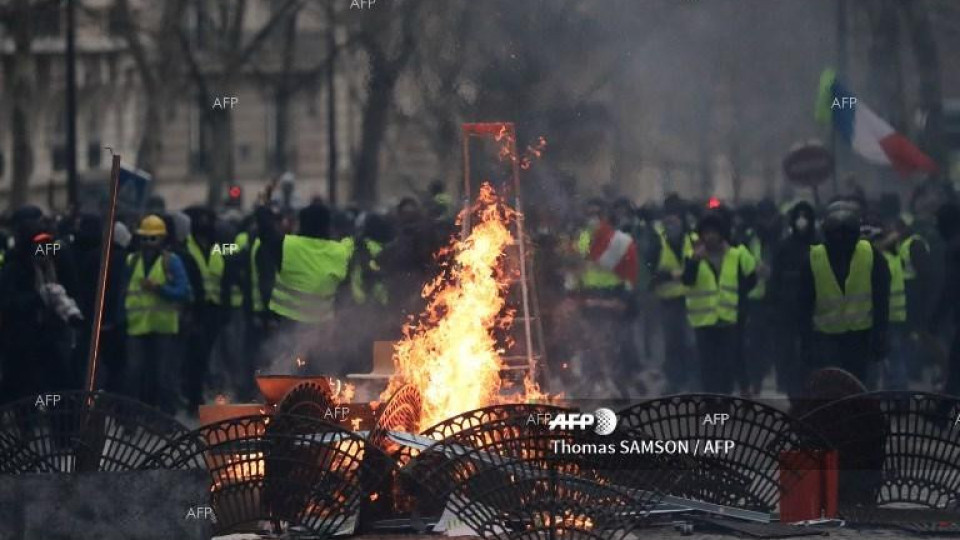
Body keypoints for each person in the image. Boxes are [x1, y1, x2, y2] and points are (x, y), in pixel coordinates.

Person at [257, 201, 355, 374]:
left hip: (287, 324)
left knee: (285, 372)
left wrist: (263, 207)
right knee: (317, 375)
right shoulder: (340, 252)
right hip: (321, 327)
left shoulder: (288, 246)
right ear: (328, 225)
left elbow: (266, 232)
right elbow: (354, 240)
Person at [798, 200, 890, 385]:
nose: (842, 238)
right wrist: (806, 340)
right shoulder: (814, 258)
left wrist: (880, 334)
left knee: (859, 392)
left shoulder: (870, 255)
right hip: (825, 340)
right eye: (837, 233)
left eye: (846, 233)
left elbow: (882, 298)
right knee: (832, 392)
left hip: (860, 339)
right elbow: (803, 303)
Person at [0, 207, 83, 403]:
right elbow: (8, 301)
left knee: (58, 390)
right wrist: (38, 299)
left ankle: (58, 421)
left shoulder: (56, 252)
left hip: (52, 334)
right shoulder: (15, 264)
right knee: (24, 391)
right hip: (24, 338)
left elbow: (71, 283)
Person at [682, 210, 757, 395]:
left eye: (714, 232)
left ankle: (724, 400)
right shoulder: (693, 256)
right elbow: (687, 280)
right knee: (707, 365)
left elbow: (750, 279)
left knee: (727, 365)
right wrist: (694, 261)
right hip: (703, 321)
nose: (710, 237)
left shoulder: (737, 254)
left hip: (728, 319)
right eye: (706, 233)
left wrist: (740, 302)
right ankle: (710, 402)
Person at [123, 215, 190, 414]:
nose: (148, 243)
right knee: (134, 372)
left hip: (163, 327)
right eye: (144, 238)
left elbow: (183, 291)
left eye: (153, 239)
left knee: (163, 375)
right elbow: (121, 291)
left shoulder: (172, 261)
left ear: (162, 240)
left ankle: (165, 416)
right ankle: (132, 417)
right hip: (136, 326)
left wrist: (159, 289)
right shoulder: (131, 260)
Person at [575, 199, 639, 397]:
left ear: (605, 217)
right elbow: (577, 267)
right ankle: (592, 382)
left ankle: (619, 384)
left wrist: (626, 297)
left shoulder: (619, 240)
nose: (593, 219)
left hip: (613, 295)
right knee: (591, 343)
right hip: (590, 295)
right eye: (590, 214)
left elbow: (630, 271)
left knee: (615, 344)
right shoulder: (582, 238)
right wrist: (576, 294)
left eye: (597, 214)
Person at [769, 201, 817, 399]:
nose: (802, 221)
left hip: (813, 309)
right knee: (787, 353)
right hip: (787, 309)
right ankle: (792, 389)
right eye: (799, 216)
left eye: (805, 216)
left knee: (810, 353)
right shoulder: (784, 247)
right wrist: (772, 306)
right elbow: (775, 278)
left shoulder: (819, 245)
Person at [646, 204, 696, 393]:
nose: (671, 226)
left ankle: (692, 380)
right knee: (672, 343)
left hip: (693, 300)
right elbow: (651, 275)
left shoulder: (693, 240)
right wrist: (669, 275)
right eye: (668, 222)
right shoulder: (657, 244)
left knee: (691, 343)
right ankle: (675, 380)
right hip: (669, 301)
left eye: (675, 221)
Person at [931, 202, 960, 397]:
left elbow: (951, 287)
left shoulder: (955, 247)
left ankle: (943, 414)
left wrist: (936, 317)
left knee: (956, 363)